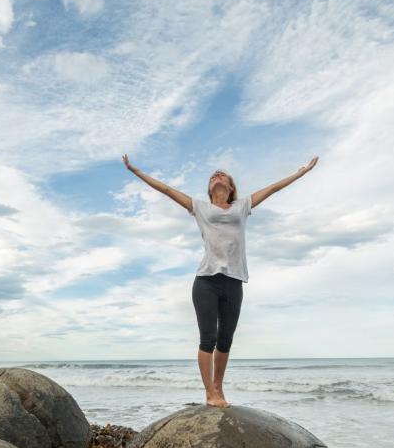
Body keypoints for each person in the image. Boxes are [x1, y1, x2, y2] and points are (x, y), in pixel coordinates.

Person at [122, 154, 318, 407]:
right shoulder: (200, 207)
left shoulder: (243, 206)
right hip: (206, 280)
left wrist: (302, 172)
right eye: (213, 175)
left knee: (226, 338)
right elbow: (167, 190)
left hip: (234, 280)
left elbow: (272, 188)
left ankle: (218, 388)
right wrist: (135, 170)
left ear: (231, 186)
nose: (217, 175)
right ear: (210, 188)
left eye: (222, 174)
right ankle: (209, 393)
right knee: (208, 337)